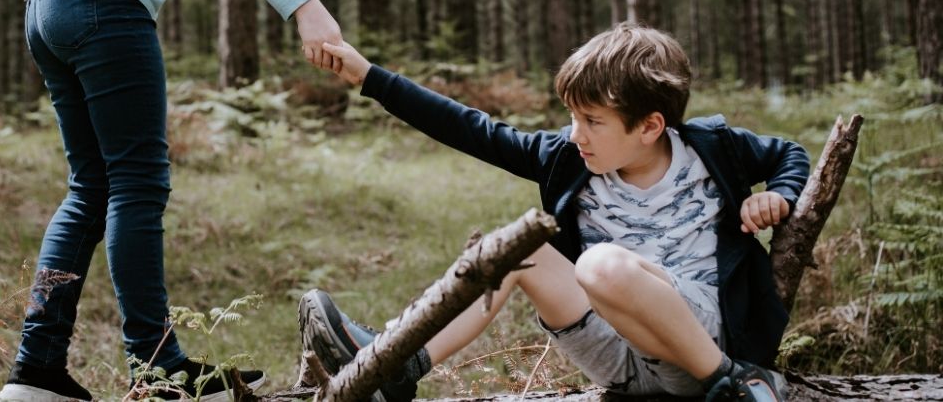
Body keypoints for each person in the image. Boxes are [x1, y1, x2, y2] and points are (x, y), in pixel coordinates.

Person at [0, 0, 343, 400]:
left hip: (50, 1)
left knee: (91, 187)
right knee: (136, 184)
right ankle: (157, 371)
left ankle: (35, 372)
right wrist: (305, 7)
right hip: (107, 2)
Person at [299, 24, 809, 402]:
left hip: (695, 346)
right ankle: (400, 361)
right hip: (616, 358)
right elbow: (469, 128)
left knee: (601, 266)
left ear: (650, 126)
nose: (575, 134)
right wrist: (369, 76)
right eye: (572, 116)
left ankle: (733, 382)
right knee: (519, 251)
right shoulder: (568, 157)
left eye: (592, 120)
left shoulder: (712, 149)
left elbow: (790, 154)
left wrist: (776, 194)